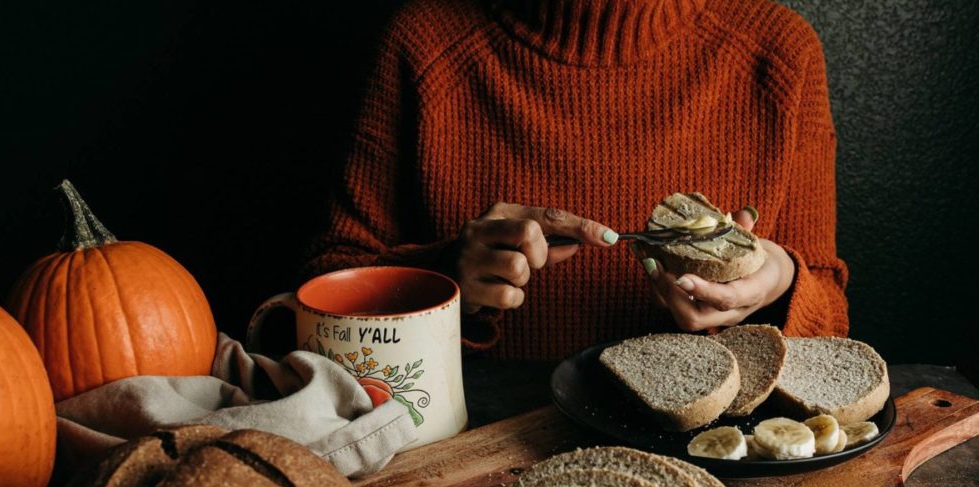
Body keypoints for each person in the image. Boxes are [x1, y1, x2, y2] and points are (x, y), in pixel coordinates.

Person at [305, 0, 848, 360]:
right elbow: (318, 302)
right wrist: (443, 280)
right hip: (469, 455)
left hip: (714, 459)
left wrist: (780, 285)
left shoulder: (779, 55)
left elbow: (830, 324)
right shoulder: (424, 46)